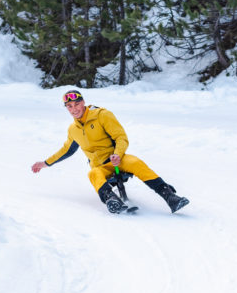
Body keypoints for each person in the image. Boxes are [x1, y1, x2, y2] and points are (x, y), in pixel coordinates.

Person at [31, 90, 190, 214]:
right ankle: (113, 201)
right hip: (100, 166)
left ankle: (171, 197)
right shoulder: (73, 129)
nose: (74, 109)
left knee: (135, 162)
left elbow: (121, 137)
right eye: (69, 106)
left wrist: (118, 154)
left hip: (118, 159)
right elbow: (66, 150)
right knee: (93, 174)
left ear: (83, 103)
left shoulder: (102, 115)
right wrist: (45, 163)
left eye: (76, 104)